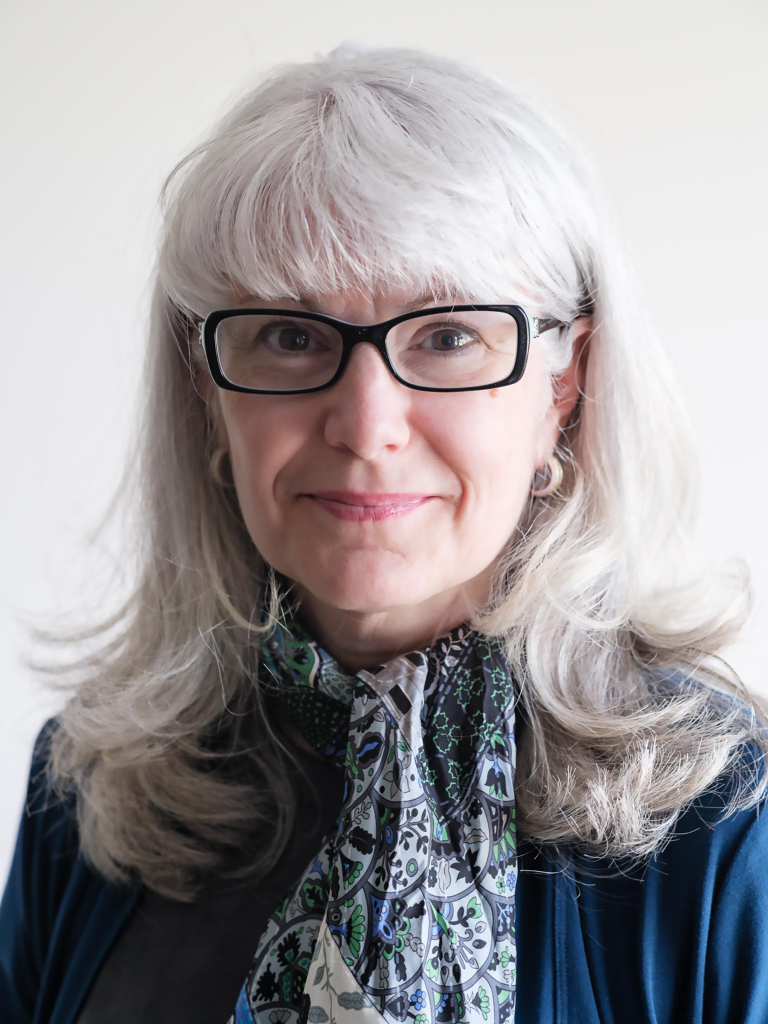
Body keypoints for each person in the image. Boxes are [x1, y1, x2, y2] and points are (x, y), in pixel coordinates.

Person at [1, 43, 767, 1024]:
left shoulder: (730, 822)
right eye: (288, 334)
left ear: (561, 387)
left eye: (447, 336)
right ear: (206, 388)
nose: (366, 427)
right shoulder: (96, 788)